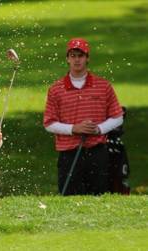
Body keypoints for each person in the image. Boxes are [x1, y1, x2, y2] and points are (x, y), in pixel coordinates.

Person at [43, 38, 124, 195]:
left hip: (97, 151)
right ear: (67, 59)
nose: (77, 59)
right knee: (70, 199)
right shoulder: (56, 89)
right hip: (69, 153)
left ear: (87, 58)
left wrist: (99, 129)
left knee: (98, 198)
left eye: (81, 55)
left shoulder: (103, 86)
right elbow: (49, 123)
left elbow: (117, 116)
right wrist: (74, 129)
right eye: (73, 55)